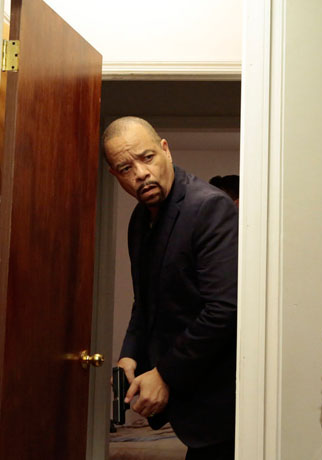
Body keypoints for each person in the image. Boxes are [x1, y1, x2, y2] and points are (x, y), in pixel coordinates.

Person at [103, 117, 238, 460]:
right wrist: (130, 353)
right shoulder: (139, 220)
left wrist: (165, 374)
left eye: (147, 157)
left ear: (165, 149)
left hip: (219, 398)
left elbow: (224, 309)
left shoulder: (209, 207)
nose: (141, 173)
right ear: (115, 175)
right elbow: (145, 300)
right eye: (126, 168)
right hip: (188, 402)